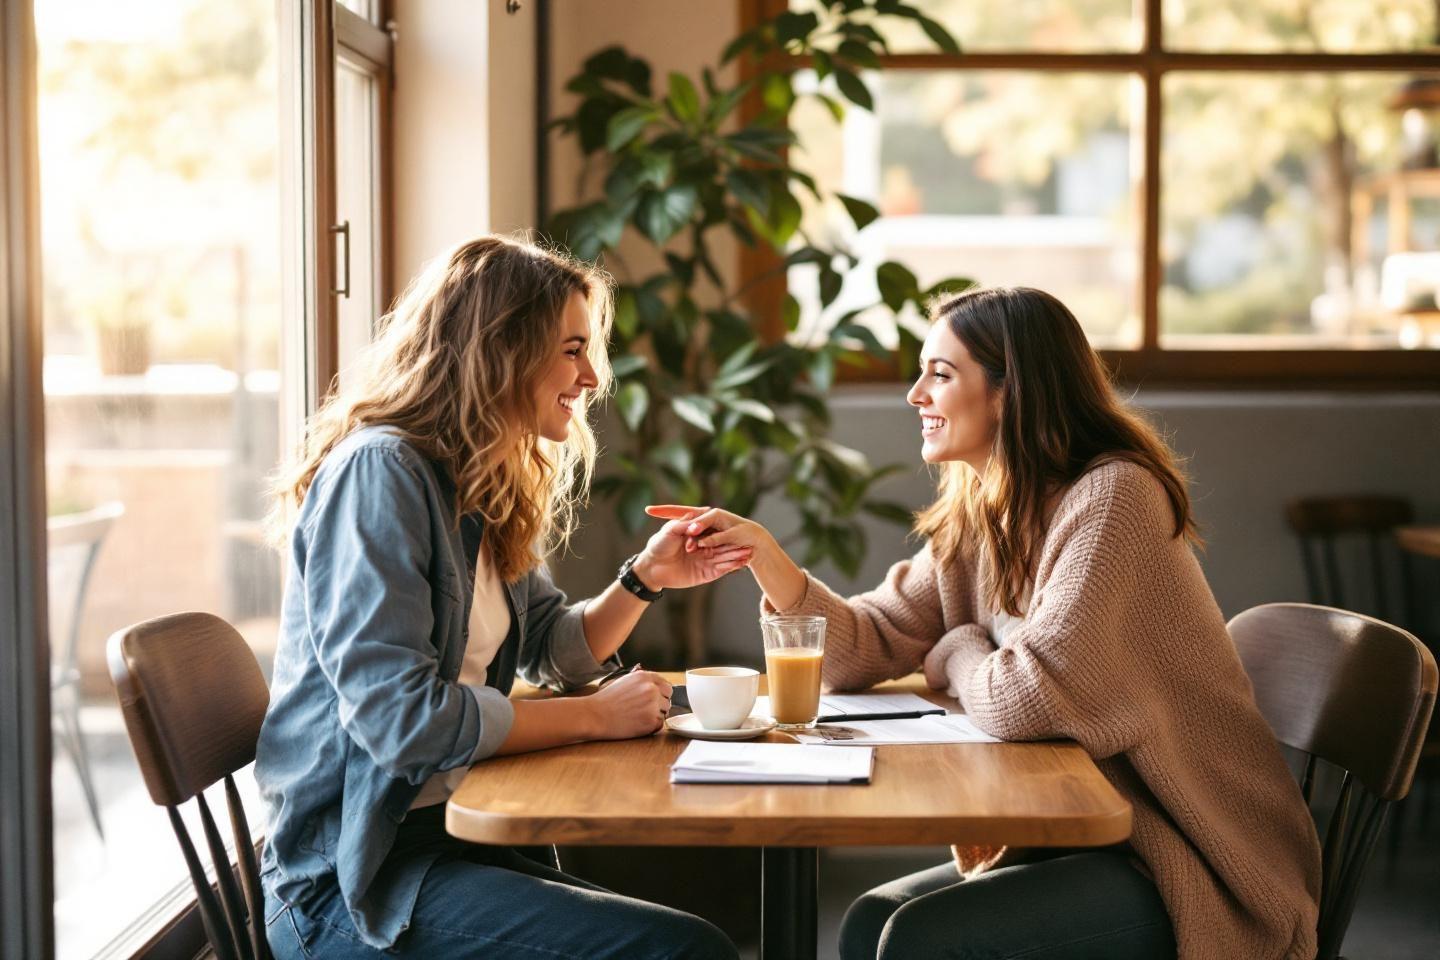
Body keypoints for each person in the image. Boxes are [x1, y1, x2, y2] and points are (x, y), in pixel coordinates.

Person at [651, 286, 1322, 960]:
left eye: (939, 374)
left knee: (917, 940)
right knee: (868, 923)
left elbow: (1028, 696)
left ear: (1011, 391)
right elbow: (858, 653)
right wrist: (766, 557)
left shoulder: (1113, 498)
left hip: (1194, 859)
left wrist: (957, 650)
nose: (915, 394)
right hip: (1094, 838)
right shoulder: (987, 509)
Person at [255, 236, 746, 959]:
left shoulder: (477, 478)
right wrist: (591, 719)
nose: (590, 376)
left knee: (694, 941)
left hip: (450, 839)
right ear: (502, 348)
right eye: (573, 349)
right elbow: (401, 723)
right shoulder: (381, 475)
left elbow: (552, 648)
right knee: (684, 952)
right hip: (353, 884)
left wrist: (647, 576)